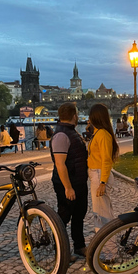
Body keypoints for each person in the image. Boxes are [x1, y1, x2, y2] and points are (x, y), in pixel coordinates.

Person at [50, 102, 88, 258]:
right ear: (74, 116)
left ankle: (79, 246)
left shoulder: (71, 132)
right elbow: (60, 164)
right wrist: (68, 187)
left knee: (79, 215)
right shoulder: (61, 135)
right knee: (64, 217)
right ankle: (60, 250)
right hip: (68, 183)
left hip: (78, 181)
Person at [88, 103, 119, 233]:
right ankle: (103, 244)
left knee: (103, 214)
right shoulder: (97, 133)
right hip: (96, 174)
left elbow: (106, 160)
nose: (88, 119)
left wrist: (102, 182)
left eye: (90, 116)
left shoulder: (103, 135)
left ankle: (108, 248)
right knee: (100, 212)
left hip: (99, 175)